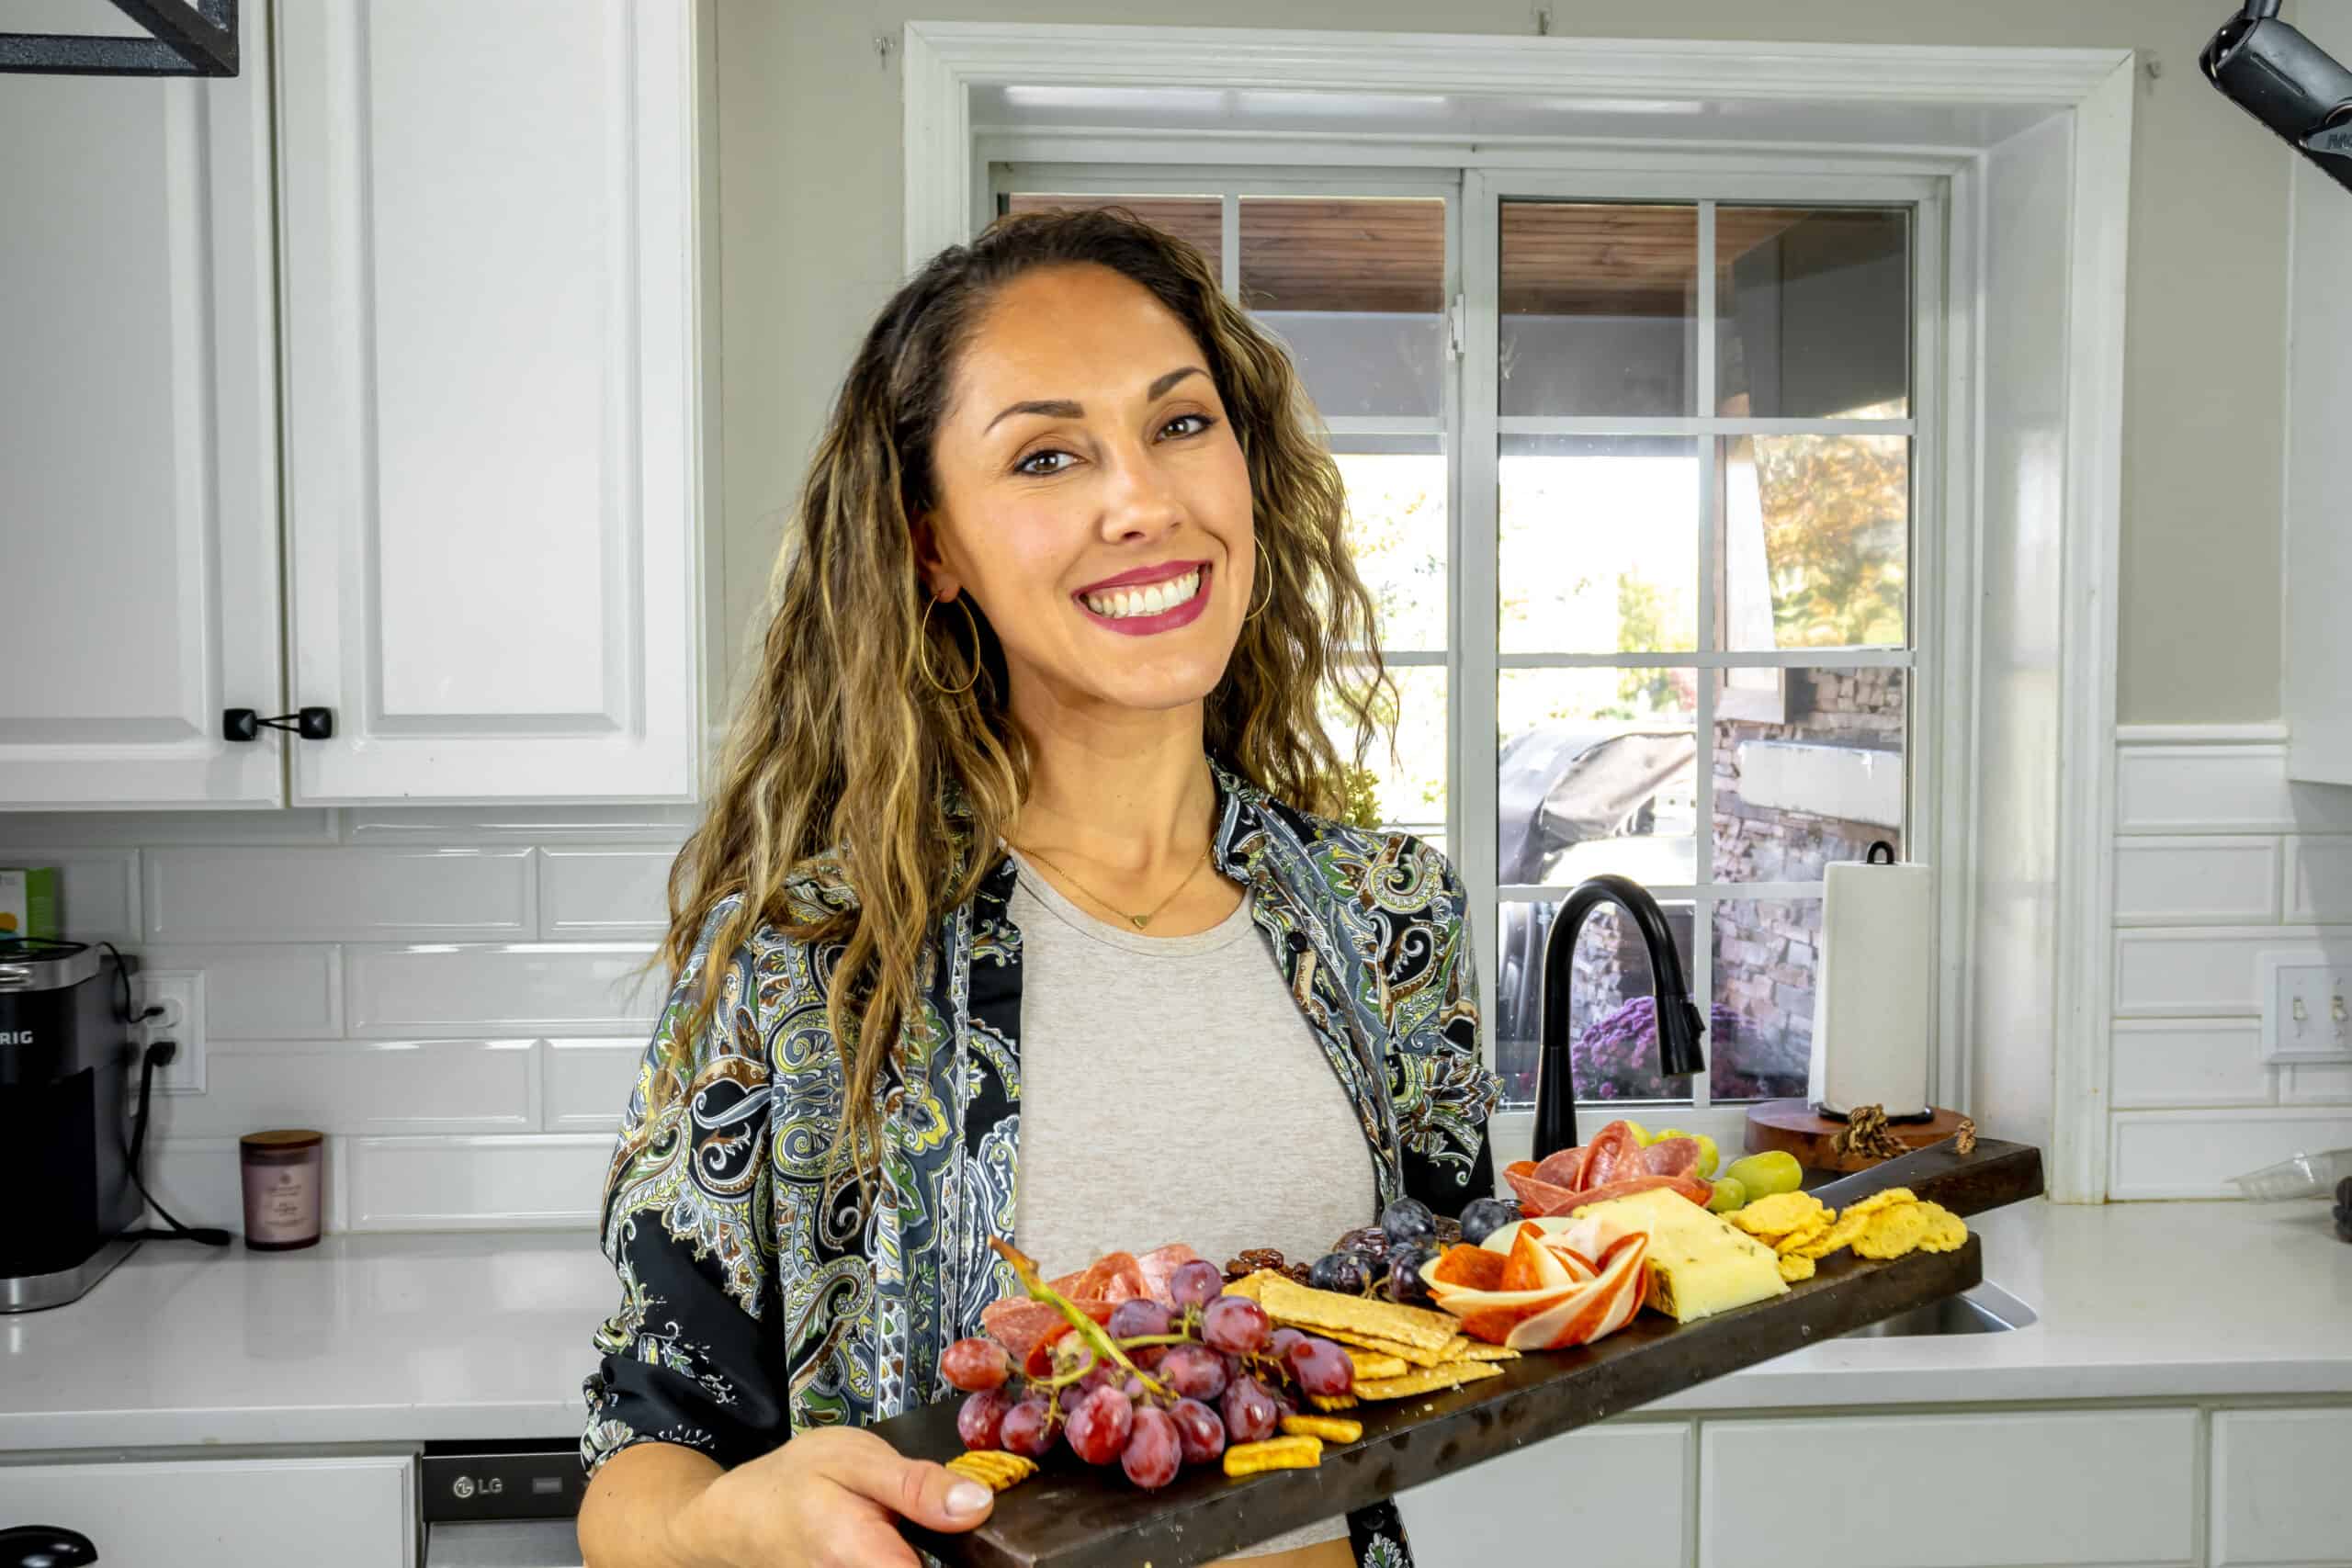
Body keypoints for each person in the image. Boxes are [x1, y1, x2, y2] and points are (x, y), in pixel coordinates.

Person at [575, 205, 1501, 1568]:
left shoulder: (1390, 918)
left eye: (1181, 425)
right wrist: (723, 1532)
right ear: (932, 548)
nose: (1143, 501)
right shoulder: (810, 963)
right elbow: (639, 1461)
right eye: (1049, 456)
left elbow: (1451, 1320)